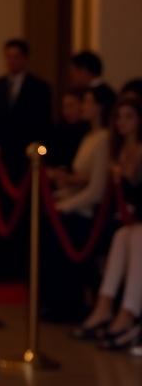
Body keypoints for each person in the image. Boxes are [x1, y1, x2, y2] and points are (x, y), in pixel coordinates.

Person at [73, 91, 142, 349]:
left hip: (137, 222)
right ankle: (105, 305)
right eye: (119, 117)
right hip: (126, 222)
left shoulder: (136, 153)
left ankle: (128, 313)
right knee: (123, 236)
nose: (123, 122)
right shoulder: (120, 151)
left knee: (135, 236)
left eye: (129, 117)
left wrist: (124, 176)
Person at [0, 39, 53, 279]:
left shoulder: (39, 88)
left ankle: (22, 266)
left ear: (24, 59)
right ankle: (0, 263)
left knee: (23, 214)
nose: (11, 61)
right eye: (7, 56)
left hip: (24, 162)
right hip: (0, 162)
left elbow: (41, 125)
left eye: (15, 56)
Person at [40, 86, 114, 321]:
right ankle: (55, 301)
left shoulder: (103, 138)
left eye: (88, 102)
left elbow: (96, 189)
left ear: (100, 107)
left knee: (60, 228)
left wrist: (64, 206)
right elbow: (82, 178)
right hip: (76, 204)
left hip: (86, 213)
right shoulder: (89, 136)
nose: (83, 107)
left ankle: (67, 304)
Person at [46, 91, 89, 171]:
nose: (66, 111)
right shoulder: (59, 130)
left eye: (71, 105)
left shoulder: (88, 132)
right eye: (64, 107)